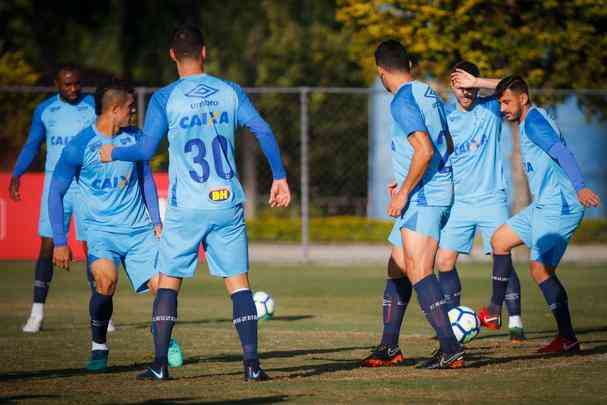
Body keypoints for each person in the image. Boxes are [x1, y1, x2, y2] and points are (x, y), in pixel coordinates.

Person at [99, 25, 291, 381]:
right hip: (226, 203)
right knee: (239, 285)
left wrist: (114, 151)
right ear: (204, 52)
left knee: (168, 281)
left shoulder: (165, 97)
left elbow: (144, 150)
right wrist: (279, 176)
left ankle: (159, 366)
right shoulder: (229, 91)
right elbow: (263, 130)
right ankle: (252, 367)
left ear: (173, 55)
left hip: (186, 206)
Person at [453, 73, 600, 353]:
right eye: (501, 103)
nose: (503, 108)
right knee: (500, 241)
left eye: (507, 102)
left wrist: (580, 187)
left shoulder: (533, 123)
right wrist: (475, 81)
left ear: (523, 98)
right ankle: (495, 310)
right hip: (543, 205)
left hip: (560, 205)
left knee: (540, 270)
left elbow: (561, 152)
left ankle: (567, 339)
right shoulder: (528, 116)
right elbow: (509, 83)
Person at [49, 80, 183, 372]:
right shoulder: (79, 146)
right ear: (114, 109)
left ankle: (163, 337)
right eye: (131, 108)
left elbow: (146, 179)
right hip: (101, 233)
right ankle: (99, 347)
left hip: (139, 232)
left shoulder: (136, 139)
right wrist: (60, 240)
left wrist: (156, 222)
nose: (134, 113)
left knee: (164, 288)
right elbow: (55, 193)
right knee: (105, 283)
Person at [362, 39, 463, 370]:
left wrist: (404, 189)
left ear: (381, 71)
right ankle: (389, 347)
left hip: (424, 194)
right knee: (397, 265)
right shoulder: (428, 93)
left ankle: (450, 348)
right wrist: (409, 177)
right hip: (431, 187)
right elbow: (445, 141)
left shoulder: (402, 100)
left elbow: (425, 150)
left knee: (419, 269)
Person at [435, 61, 526, 342]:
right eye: (461, 86)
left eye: (470, 87)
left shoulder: (489, 107)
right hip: (460, 201)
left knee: (503, 258)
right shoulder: (446, 116)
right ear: (452, 86)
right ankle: (452, 320)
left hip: (492, 198)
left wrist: (477, 80)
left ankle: (514, 320)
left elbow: (512, 84)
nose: (467, 92)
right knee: (444, 261)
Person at [8, 64, 103, 333]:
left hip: (85, 183)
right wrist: (17, 173)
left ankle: (101, 311)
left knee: (92, 247)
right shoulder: (45, 110)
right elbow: (32, 144)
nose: (73, 89)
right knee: (47, 247)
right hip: (56, 186)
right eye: (67, 85)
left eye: (77, 84)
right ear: (56, 84)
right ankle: (36, 313)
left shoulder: (93, 106)